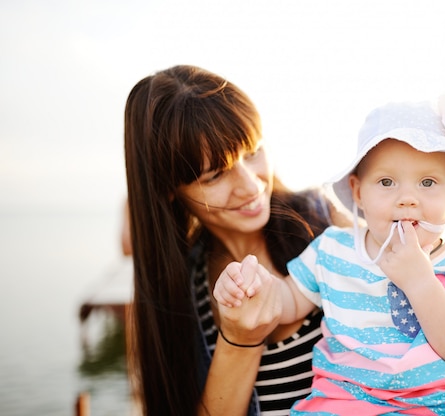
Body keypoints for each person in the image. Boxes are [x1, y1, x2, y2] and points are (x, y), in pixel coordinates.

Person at [214, 99, 445, 414]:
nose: (407, 199)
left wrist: (420, 282)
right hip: (345, 403)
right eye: (386, 182)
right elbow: (289, 300)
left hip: (435, 405)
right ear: (358, 191)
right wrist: (253, 287)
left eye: (428, 182)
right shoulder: (333, 250)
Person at [123, 64, 351, 416]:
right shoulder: (180, 292)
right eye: (216, 174)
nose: (250, 185)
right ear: (169, 189)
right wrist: (241, 339)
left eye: (252, 152)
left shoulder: (329, 225)